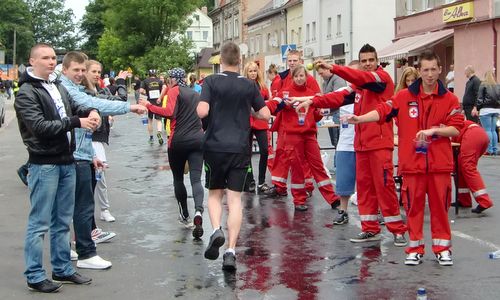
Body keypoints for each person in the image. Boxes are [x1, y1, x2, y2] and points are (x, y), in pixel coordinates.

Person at [345, 50, 463, 266]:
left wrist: (433, 131)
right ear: (419, 71)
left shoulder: (450, 98)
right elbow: (382, 111)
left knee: (440, 210)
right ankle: (415, 248)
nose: (429, 74)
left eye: (433, 70)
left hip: (439, 166)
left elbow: (457, 128)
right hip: (412, 166)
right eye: (425, 70)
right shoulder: (403, 96)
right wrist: (360, 119)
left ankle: (443, 249)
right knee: (414, 209)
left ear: (439, 70)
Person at [294, 44, 407, 246]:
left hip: (380, 144)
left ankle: (398, 230)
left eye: (371, 60)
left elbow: (362, 78)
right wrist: (313, 102)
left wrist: (334, 68)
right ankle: (370, 229)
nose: (367, 64)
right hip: (361, 145)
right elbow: (337, 96)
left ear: (377, 60)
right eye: (363, 61)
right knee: (364, 189)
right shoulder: (358, 87)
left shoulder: (381, 78)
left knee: (384, 187)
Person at [15, 43, 96, 293]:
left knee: (62, 220)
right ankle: (35, 274)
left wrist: (90, 111)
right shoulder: (26, 92)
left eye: (53, 58)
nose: (52, 62)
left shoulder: (57, 86)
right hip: (44, 163)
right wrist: (76, 121)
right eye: (46, 58)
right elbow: (40, 127)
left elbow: (75, 106)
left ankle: (62, 268)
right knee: (39, 223)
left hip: (65, 161)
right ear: (32, 61)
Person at [60, 51, 146, 270]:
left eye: (83, 70)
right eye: (77, 70)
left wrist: (92, 155)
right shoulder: (68, 89)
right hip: (72, 156)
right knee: (79, 206)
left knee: (72, 207)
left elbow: (91, 111)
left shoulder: (72, 88)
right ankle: (85, 253)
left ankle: (69, 249)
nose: (81, 74)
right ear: (65, 69)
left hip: (81, 153)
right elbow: (90, 105)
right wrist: (129, 106)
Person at [197, 41, 270, 271]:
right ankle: (230, 250)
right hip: (240, 147)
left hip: (215, 146)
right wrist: (251, 110)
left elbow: (202, 111)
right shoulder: (249, 85)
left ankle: (217, 229)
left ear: (221, 61)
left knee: (215, 194)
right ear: (240, 61)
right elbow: (265, 114)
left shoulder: (210, 81)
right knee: (235, 200)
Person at [139, 67, 205, 238]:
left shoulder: (175, 91)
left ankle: (185, 214)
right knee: (196, 179)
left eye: (169, 80)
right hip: (198, 139)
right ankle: (198, 211)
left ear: (173, 80)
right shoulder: (195, 93)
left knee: (178, 178)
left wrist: (149, 106)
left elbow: (169, 112)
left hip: (178, 141)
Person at [273, 65, 340, 211]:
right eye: (296, 76)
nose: (299, 78)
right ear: (292, 77)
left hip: (309, 135)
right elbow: (275, 107)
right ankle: (299, 200)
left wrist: (320, 111)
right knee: (296, 169)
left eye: (301, 76)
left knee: (318, 167)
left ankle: (333, 199)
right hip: (292, 136)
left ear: (306, 77)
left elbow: (316, 115)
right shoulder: (286, 94)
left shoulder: (311, 94)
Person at [264, 50, 320, 199]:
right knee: (281, 154)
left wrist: (313, 120)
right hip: (285, 124)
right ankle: (279, 186)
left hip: (303, 125)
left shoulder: (308, 79)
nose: (292, 63)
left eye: (295, 60)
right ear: (286, 62)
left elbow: (318, 100)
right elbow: (277, 99)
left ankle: (307, 187)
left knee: (302, 158)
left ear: (300, 61)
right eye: (290, 61)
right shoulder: (282, 78)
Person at [84, 60, 127, 222]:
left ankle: (103, 210)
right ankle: (91, 214)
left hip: (99, 138)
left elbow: (121, 100)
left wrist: (121, 81)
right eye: (93, 71)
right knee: (93, 177)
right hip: (88, 137)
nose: (96, 75)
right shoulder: (85, 92)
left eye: (98, 72)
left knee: (99, 176)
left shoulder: (100, 90)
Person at [332, 60, 359, 225]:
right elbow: (327, 103)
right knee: (344, 180)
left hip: (364, 144)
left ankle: (375, 211)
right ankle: (343, 210)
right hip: (345, 143)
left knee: (369, 182)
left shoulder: (369, 91)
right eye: (350, 73)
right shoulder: (342, 92)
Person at [454, 118, 494, 213]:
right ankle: (464, 200)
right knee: (460, 167)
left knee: (467, 167)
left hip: (472, 134)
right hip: (478, 133)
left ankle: (485, 201)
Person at [243, 61, 271, 193]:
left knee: (264, 150)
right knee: (246, 153)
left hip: (260, 123)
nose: (253, 73)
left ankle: (261, 181)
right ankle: (250, 181)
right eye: (250, 71)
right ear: (246, 73)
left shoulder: (263, 87)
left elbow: (267, 104)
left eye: (255, 71)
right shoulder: (242, 86)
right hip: (246, 123)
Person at [317, 64, 347, 151]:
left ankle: (337, 163)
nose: (320, 76)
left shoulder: (338, 79)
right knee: (334, 142)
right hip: (331, 114)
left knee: (338, 141)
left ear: (327, 70)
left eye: (321, 73)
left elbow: (338, 99)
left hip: (338, 113)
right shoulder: (325, 82)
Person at [473, 70, 500, 156]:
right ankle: (495, 149)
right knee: (493, 130)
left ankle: (489, 150)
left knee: (487, 130)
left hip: (486, 110)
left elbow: (480, 98)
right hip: (496, 110)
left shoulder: (483, 85)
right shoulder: (497, 86)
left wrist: (478, 108)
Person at [140, 69, 164, 145]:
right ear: (155, 74)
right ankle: (159, 132)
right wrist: (160, 97)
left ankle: (151, 137)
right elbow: (164, 88)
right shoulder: (159, 81)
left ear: (149, 74)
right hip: (158, 102)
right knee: (159, 120)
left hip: (150, 102)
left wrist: (146, 93)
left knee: (150, 120)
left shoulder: (145, 81)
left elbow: (140, 91)